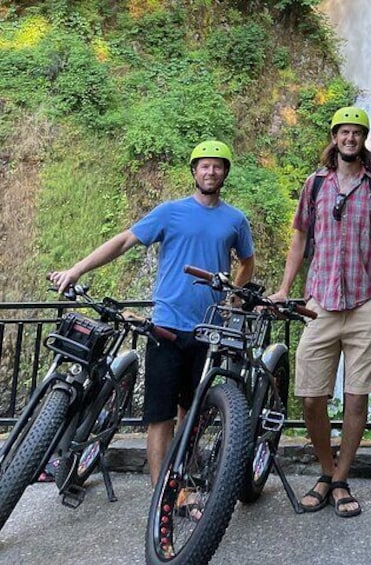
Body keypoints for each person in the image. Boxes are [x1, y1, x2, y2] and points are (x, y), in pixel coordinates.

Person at [48, 140, 255, 486]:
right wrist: (77, 269)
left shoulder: (235, 220)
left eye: (217, 166)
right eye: (204, 165)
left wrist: (233, 299)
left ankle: (184, 481)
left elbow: (247, 262)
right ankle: (161, 491)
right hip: (166, 328)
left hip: (208, 331)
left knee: (191, 414)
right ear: (194, 171)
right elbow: (124, 241)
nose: (210, 171)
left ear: (225, 173)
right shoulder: (170, 211)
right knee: (160, 416)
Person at [267, 106, 371, 518]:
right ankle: (326, 471)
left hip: (365, 304)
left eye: (356, 133)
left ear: (364, 139)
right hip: (320, 303)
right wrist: (285, 288)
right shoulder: (314, 185)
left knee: (356, 399)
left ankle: (340, 480)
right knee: (310, 397)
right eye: (343, 132)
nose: (349, 138)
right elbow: (299, 240)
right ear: (334, 138)